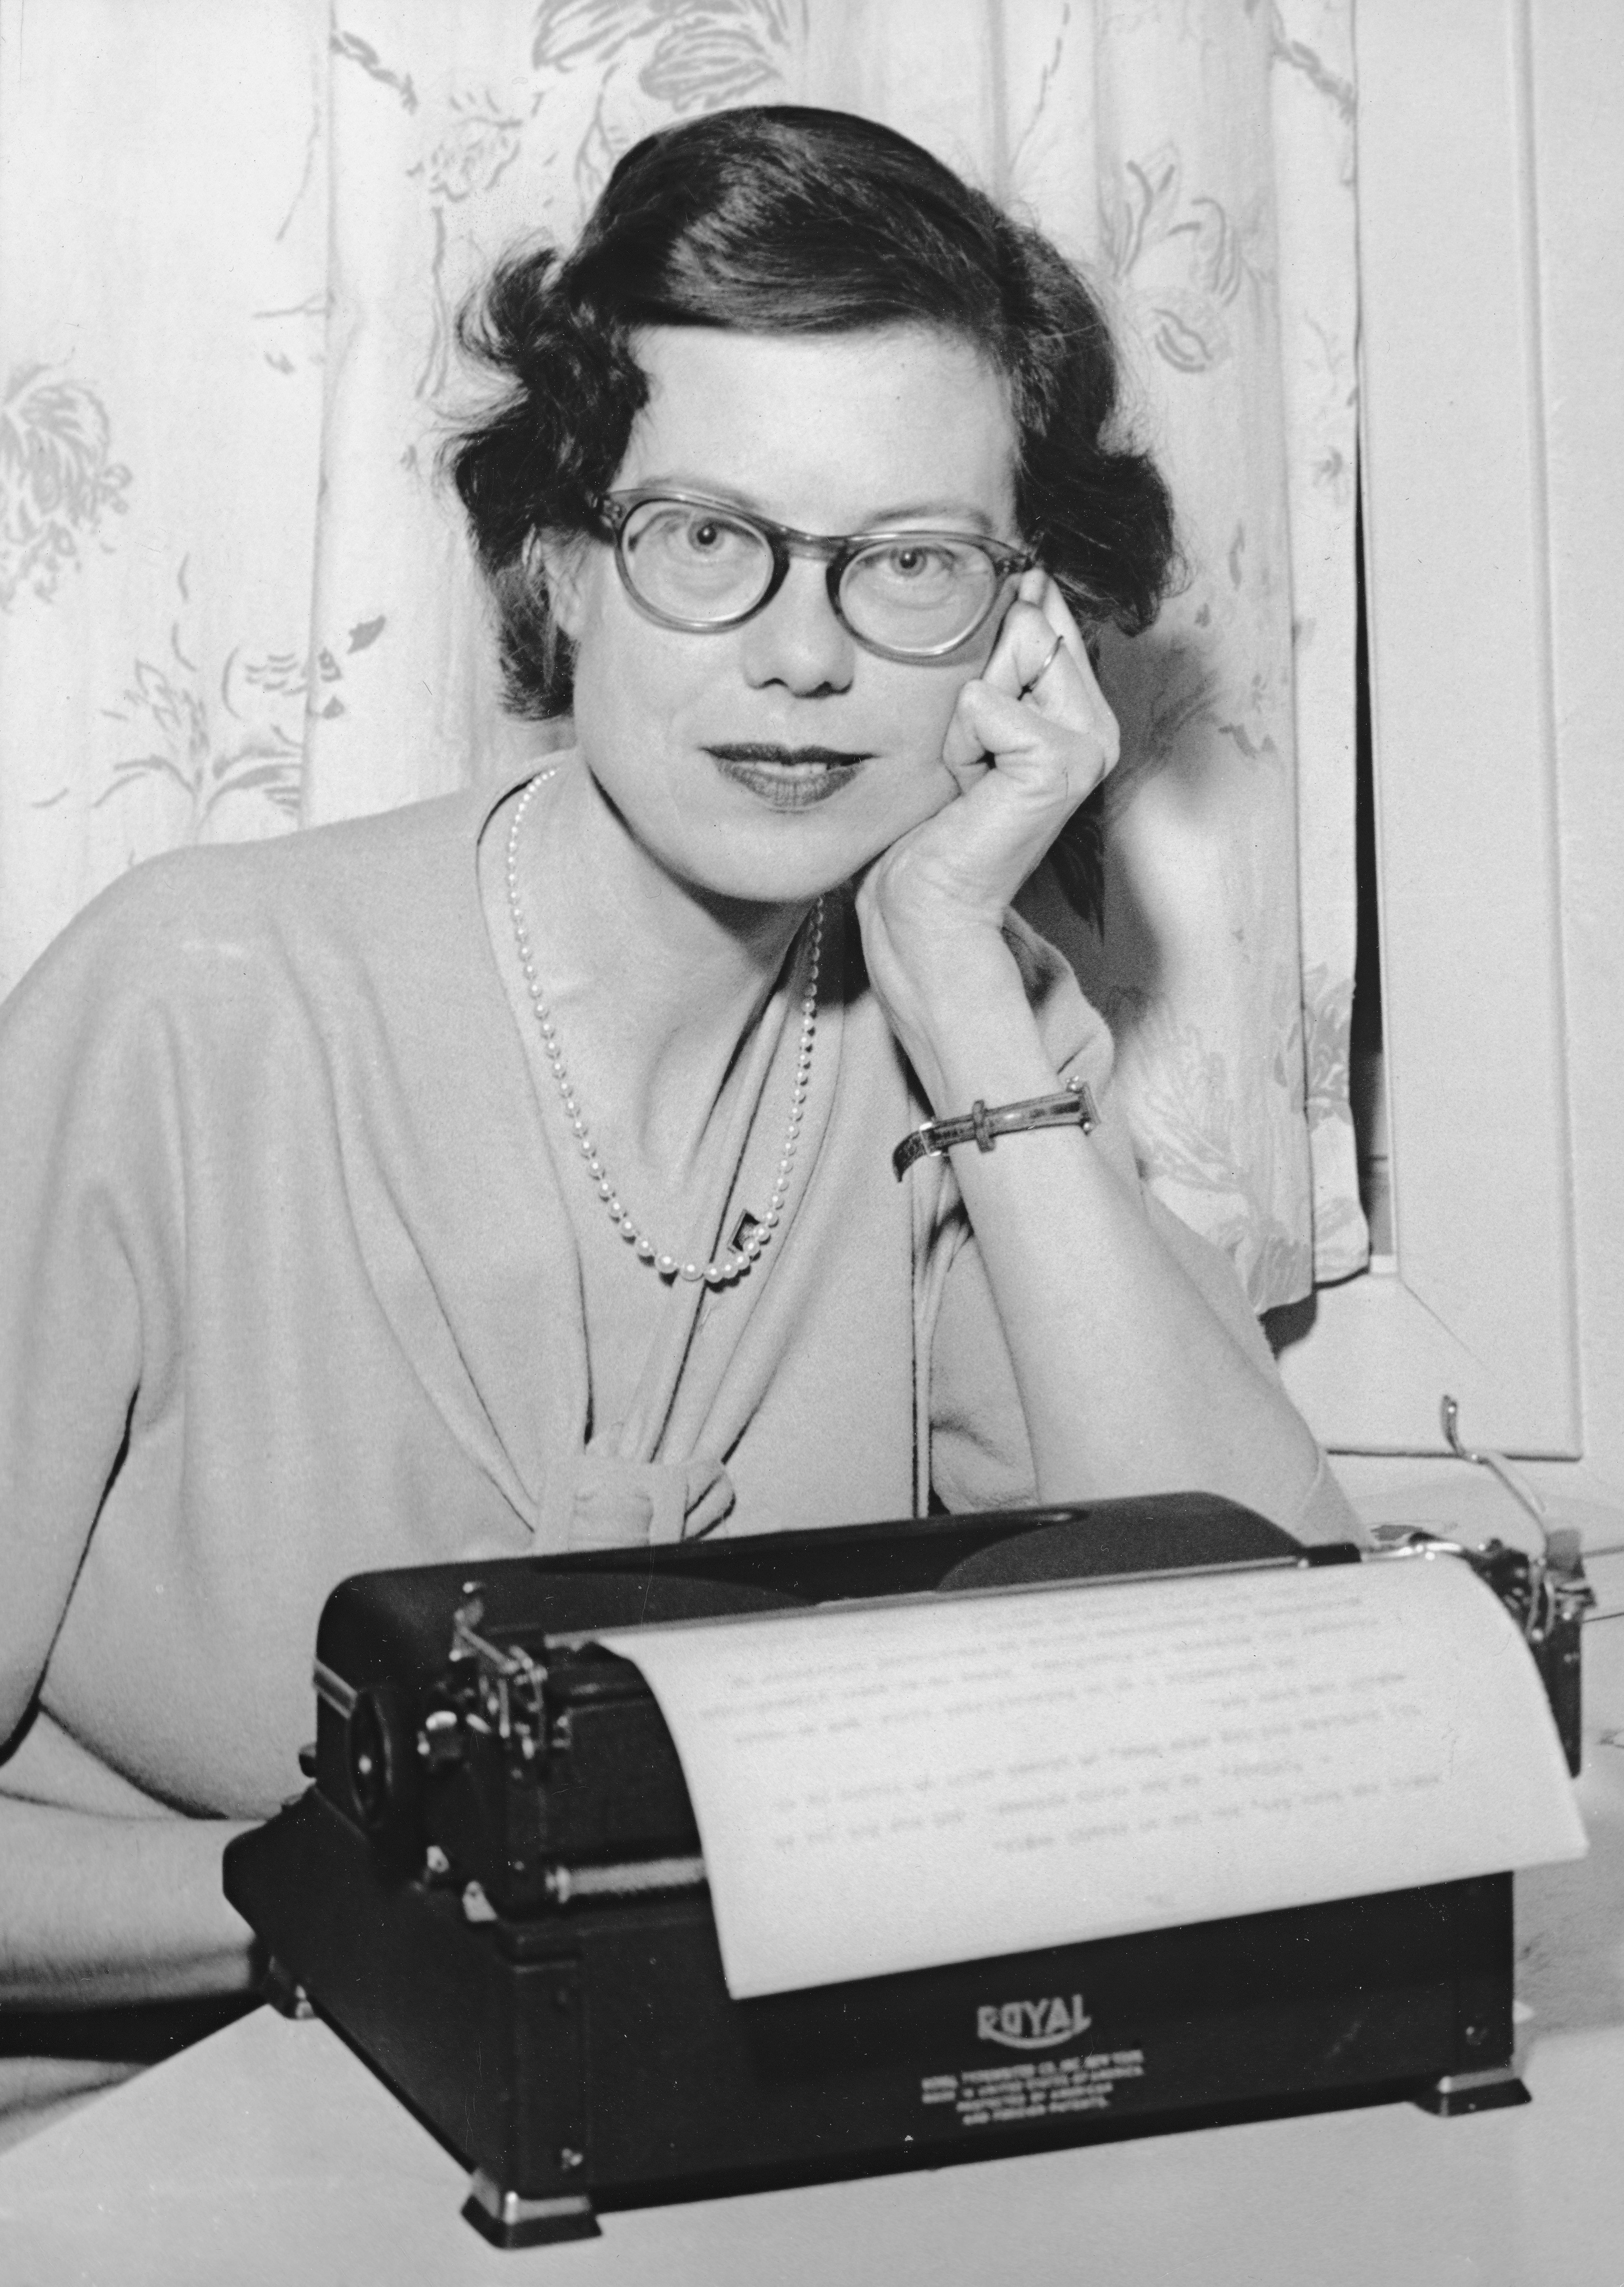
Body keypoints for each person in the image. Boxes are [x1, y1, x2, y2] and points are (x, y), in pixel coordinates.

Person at [0, 105, 1358, 2135]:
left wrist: (954, 971)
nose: (804, 658)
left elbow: (1275, 1695)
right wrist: (367, 1909)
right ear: (562, 561)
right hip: (157, 2152)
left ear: (1023, 629)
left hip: (675, 2139)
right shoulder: (191, 1001)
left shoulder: (965, 1028)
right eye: (706, 540)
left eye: (909, 564)